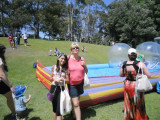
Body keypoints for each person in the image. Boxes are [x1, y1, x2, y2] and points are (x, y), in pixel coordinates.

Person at [120, 48, 151, 120]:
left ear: (128, 55)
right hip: (137, 85)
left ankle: (129, 117)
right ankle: (139, 118)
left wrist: (128, 75)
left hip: (127, 84)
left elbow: (121, 75)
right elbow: (149, 75)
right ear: (136, 55)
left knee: (128, 101)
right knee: (138, 103)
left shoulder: (124, 64)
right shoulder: (140, 64)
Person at [68, 42, 88, 120]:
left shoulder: (82, 59)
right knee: (76, 103)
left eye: (77, 48)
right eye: (74, 48)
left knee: (77, 101)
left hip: (80, 83)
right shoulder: (68, 58)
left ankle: (73, 111)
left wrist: (84, 65)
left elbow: (86, 71)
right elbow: (61, 63)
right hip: (72, 84)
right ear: (71, 50)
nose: (76, 49)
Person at [50, 53, 69, 120]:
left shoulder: (66, 69)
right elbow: (50, 78)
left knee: (59, 109)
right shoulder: (53, 67)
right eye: (62, 58)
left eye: (64, 59)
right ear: (58, 58)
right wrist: (54, 79)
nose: (63, 60)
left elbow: (68, 80)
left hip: (61, 89)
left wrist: (62, 79)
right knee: (54, 108)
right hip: (53, 88)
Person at [0, 44, 16, 119]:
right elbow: (2, 75)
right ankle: (14, 114)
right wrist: (10, 85)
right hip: (1, 83)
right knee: (9, 97)